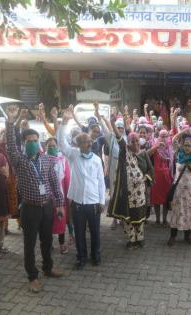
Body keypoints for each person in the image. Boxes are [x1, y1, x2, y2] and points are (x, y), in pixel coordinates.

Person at [5, 106, 65, 293]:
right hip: (30, 210)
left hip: (47, 207)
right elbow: (10, 145)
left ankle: (48, 268)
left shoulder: (47, 159)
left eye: (35, 140)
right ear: (24, 144)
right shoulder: (19, 160)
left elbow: (55, 183)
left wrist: (60, 205)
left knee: (47, 241)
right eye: (29, 141)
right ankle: (32, 276)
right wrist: (10, 121)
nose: (33, 143)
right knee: (29, 244)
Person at [57, 109, 106, 270]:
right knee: (79, 233)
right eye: (84, 142)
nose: (88, 144)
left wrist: (101, 201)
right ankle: (81, 258)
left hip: (93, 203)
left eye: (89, 143)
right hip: (77, 203)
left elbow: (100, 182)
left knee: (95, 233)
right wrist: (64, 123)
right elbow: (62, 143)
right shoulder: (73, 155)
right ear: (79, 145)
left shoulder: (97, 160)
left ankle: (96, 256)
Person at [108, 125, 154, 249]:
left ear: (140, 142)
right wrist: (113, 124)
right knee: (128, 218)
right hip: (127, 193)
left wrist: (145, 178)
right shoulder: (124, 152)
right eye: (132, 141)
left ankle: (140, 239)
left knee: (139, 217)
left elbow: (150, 170)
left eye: (137, 141)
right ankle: (131, 240)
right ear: (128, 143)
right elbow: (119, 138)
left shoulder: (144, 154)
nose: (135, 144)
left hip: (140, 193)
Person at [167, 134, 191, 246]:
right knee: (176, 213)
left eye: (189, 145)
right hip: (178, 192)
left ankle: (187, 236)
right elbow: (173, 140)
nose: (187, 147)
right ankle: (173, 236)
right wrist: (184, 132)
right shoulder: (178, 155)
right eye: (185, 145)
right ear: (182, 146)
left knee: (189, 213)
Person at [45, 137, 71, 254]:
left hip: (60, 196)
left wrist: (67, 196)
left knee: (60, 219)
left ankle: (62, 244)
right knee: (47, 221)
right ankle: (48, 244)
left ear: (58, 147)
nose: (51, 148)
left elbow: (67, 179)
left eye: (53, 146)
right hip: (46, 197)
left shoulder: (63, 160)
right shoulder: (42, 159)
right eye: (49, 146)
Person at [148, 129, 173, 225]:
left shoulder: (170, 148)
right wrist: (157, 146)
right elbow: (147, 154)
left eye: (165, 136)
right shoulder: (155, 146)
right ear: (158, 137)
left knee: (166, 199)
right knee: (156, 199)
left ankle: (165, 219)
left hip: (167, 178)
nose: (163, 138)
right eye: (161, 136)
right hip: (156, 177)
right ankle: (158, 219)